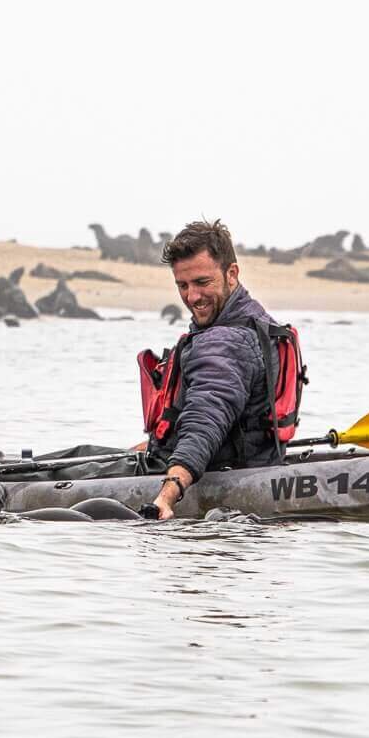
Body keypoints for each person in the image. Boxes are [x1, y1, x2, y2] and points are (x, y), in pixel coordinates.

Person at [141, 219, 299, 519]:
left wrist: (167, 495)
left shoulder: (225, 341)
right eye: (182, 286)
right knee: (81, 455)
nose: (192, 297)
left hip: (220, 476)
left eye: (202, 282)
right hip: (246, 459)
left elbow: (206, 420)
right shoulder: (251, 318)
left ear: (232, 273)